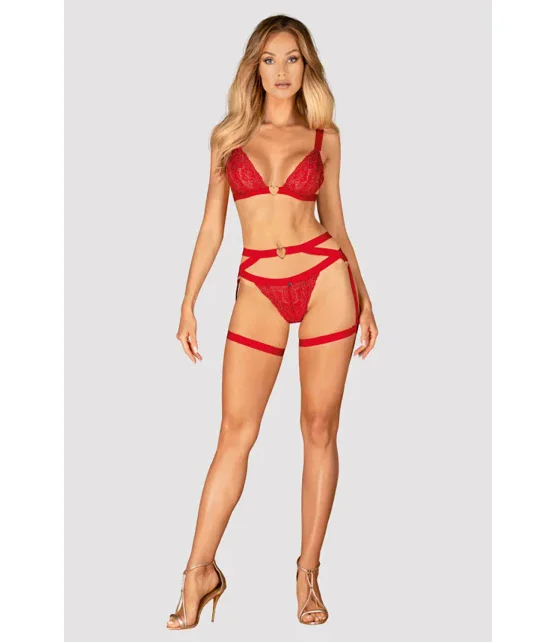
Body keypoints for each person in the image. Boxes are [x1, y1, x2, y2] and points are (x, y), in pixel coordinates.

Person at [167, 14, 378, 629]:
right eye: (269, 59)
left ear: (306, 66)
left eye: (292, 59)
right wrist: (188, 300)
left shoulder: (324, 137)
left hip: (325, 278)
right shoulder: (227, 138)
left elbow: (336, 222)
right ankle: (198, 572)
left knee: (319, 427)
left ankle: (308, 574)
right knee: (236, 432)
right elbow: (212, 225)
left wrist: (365, 297)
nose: (281, 71)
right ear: (253, 68)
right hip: (259, 281)